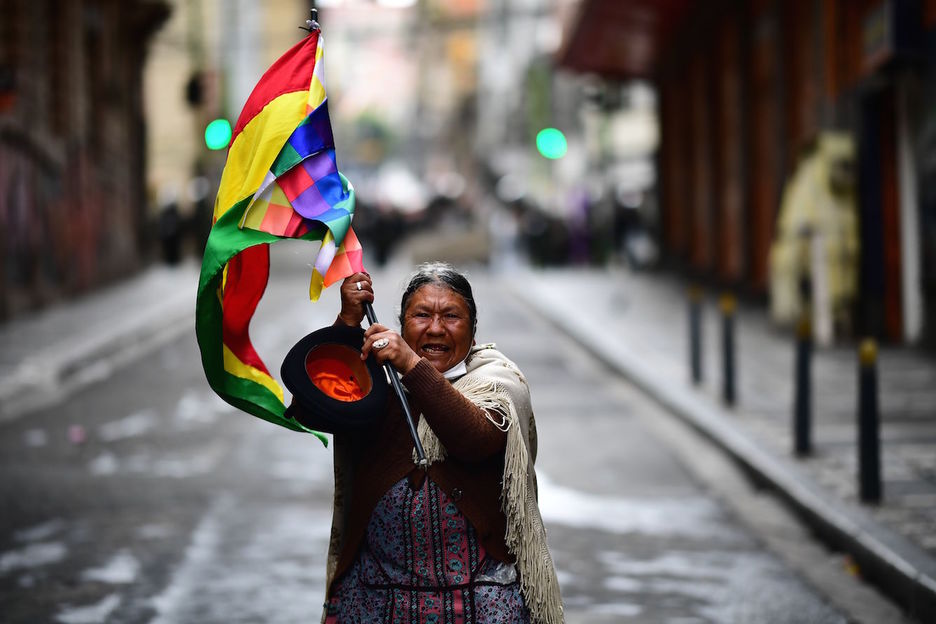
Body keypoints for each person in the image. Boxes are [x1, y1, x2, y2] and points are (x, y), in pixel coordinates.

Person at [289, 262, 563, 623]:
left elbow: (474, 438)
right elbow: (310, 410)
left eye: (451, 315)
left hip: (480, 602)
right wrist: (346, 324)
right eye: (421, 315)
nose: (436, 328)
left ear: (474, 331)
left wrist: (411, 364)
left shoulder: (497, 383)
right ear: (402, 326)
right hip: (377, 600)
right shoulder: (375, 382)